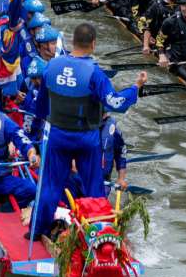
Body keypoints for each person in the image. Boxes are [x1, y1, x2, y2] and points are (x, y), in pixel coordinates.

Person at [28, 22, 142, 239]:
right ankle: (98, 234)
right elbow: (116, 103)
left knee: (50, 186)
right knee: (94, 189)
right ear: (93, 44)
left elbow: (41, 108)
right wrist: (135, 88)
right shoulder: (95, 73)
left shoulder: (51, 66)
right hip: (86, 139)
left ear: (72, 42)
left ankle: (36, 232)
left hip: (57, 136)